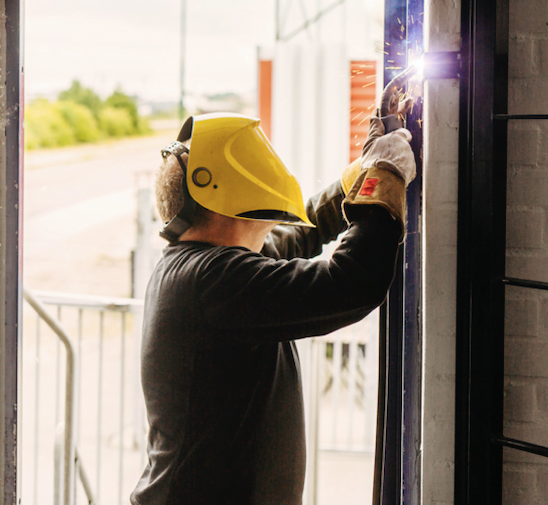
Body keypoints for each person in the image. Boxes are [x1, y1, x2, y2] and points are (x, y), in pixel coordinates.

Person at [130, 106, 417, 505]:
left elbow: (301, 235)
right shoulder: (211, 280)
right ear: (223, 190)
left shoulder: (204, 266)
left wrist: (363, 172)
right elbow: (351, 282)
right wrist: (384, 178)